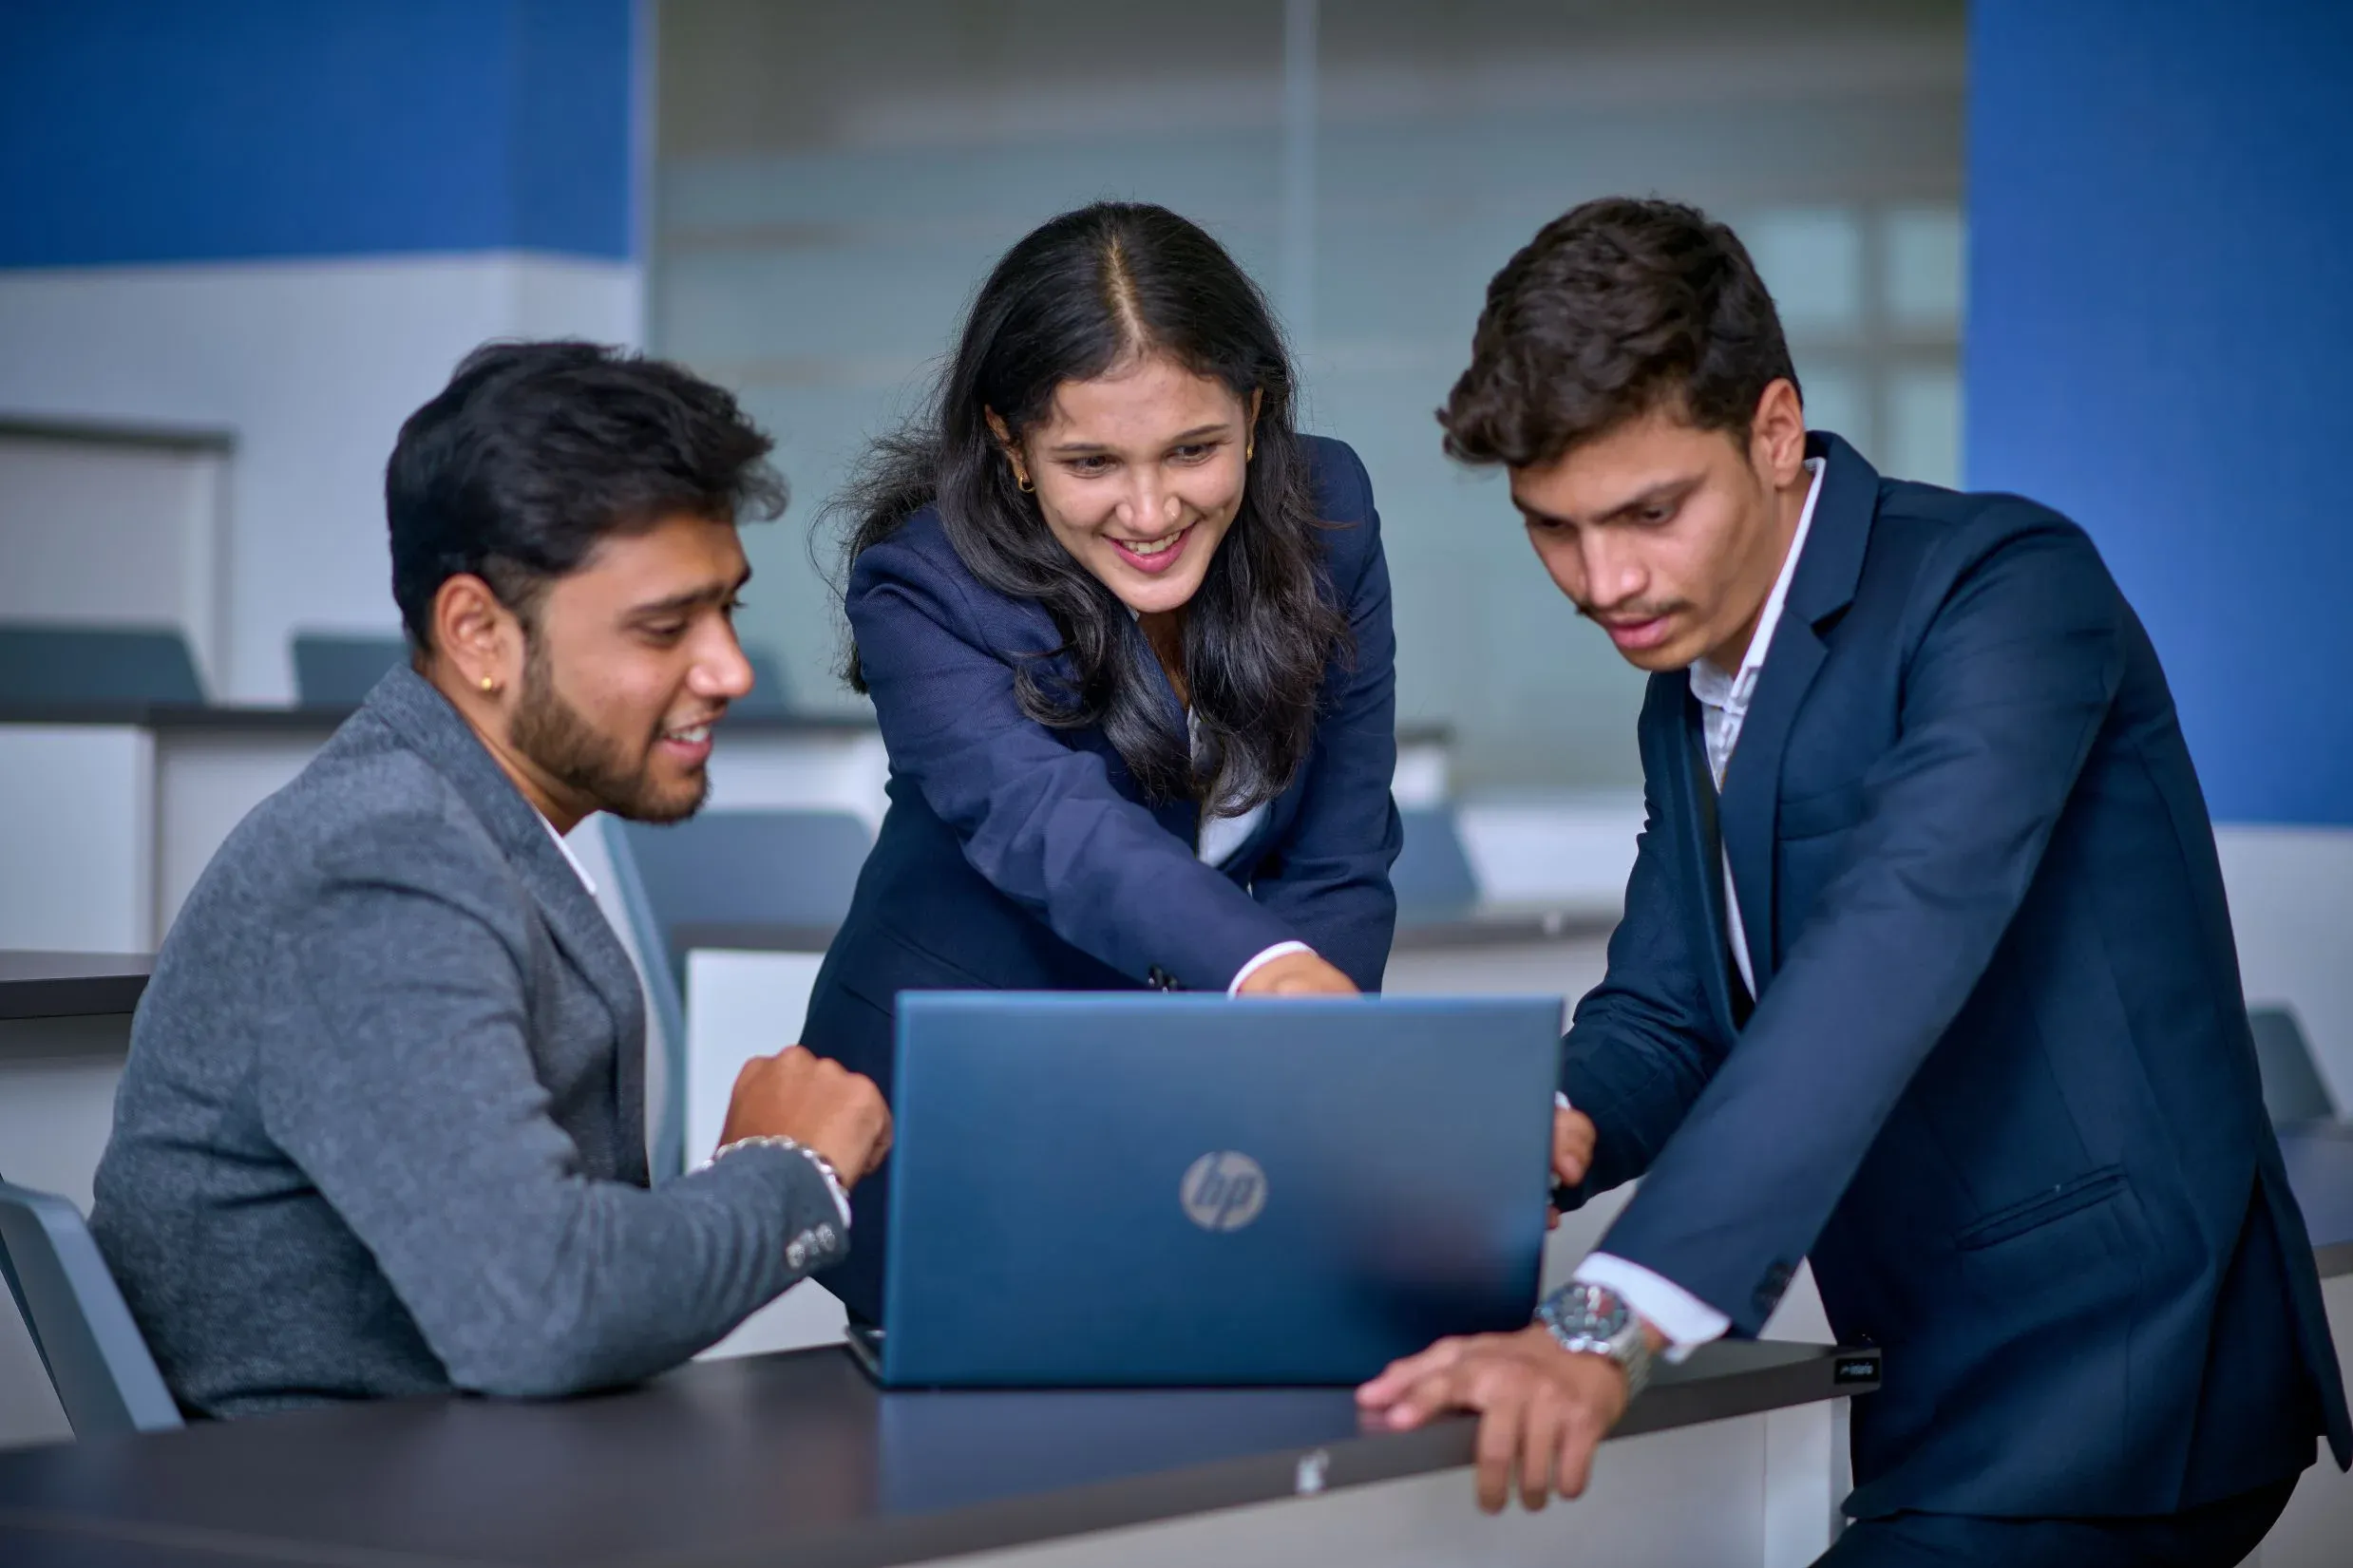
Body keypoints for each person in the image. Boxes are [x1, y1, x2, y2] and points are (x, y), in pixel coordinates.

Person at [1356, 198, 2351, 1565]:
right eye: (1554, 528)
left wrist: (1606, 1318)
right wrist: (1566, 1119)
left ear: (1773, 430)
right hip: (1933, 1376)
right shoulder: (1688, 665)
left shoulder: (2002, 588)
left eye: (1649, 510)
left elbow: (1885, 950)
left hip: (2115, 1372)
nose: (1606, 580)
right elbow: (1673, 1006)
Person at [89, 342, 893, 1417]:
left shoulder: (454, 820)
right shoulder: (377, 865)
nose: (729, 670)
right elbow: (544, 1308)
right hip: (325, 1513)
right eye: (664, 626)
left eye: (726, 611)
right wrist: (793, 1169)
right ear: (478, 632)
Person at [800, 201, 1404, 1320]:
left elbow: (1341, 855)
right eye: (1089, 461)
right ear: (1008, 445)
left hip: (1199, 1127)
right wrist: (1268, 975)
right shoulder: (919, 583)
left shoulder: (1331, 513)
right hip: (956, 1112)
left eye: (1193, 448)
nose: (1149, 509)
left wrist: (1318, 1080)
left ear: (1256, 412)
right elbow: (1053, 829)